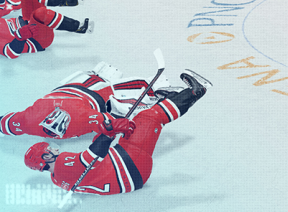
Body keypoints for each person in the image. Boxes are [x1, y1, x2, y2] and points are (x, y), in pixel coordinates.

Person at [24, 70, 209, 194]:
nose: (55, 149)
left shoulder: (57, 179)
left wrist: (107, 132)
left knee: (133, 127)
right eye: (50, 150)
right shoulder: (62, 163)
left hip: (128, 173)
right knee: (148, 118)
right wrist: (107, 133)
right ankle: (195, 91)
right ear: (46, 157)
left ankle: (169, 102)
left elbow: (92, 165)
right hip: (130, 165)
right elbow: (92, 157)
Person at [1, 61, 130, 138]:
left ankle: (102, 82)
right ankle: (101, 81)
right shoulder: (29, 120)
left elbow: (4, 123)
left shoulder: (28, 120)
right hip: (76, 91)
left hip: (77, 93)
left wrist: (117, 124)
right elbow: (114, 123)